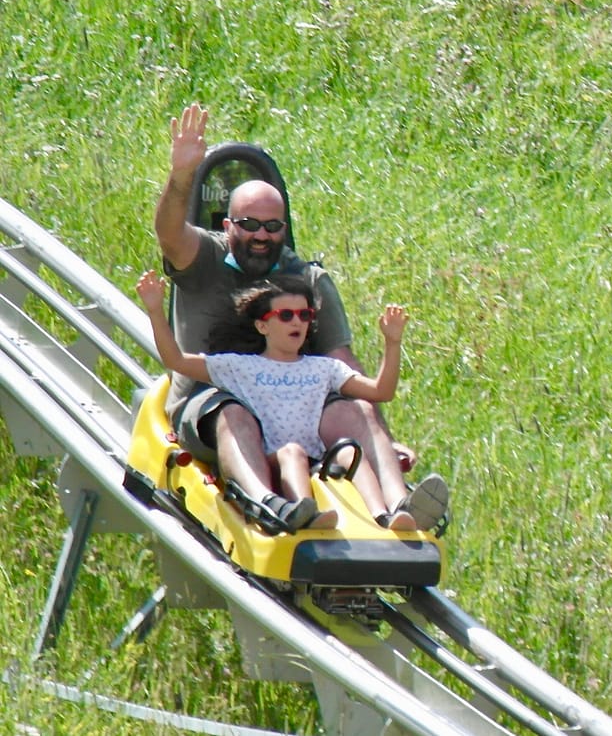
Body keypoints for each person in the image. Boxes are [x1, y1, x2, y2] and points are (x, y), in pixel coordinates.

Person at [153, 101, 447, 532]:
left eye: (272, 227)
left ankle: (399, 504)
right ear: (229, 225)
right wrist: (181, 176)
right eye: (250, 225)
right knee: (233, 414)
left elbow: (343, 365)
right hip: (215, 399)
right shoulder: (204, 258)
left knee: (357, 412)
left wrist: (382, 437)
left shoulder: (306, 279)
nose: (261, 236)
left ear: (284, 229)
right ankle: (266, 502)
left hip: (293, 402)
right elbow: (169, 234)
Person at [137, 270, 425, 530]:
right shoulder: (240, 366)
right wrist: (155, 310)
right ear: (263, 326)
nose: (297, 321)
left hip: (318, 456)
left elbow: (381, 391)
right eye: (286, 315)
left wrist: (393, 343)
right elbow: (175, 360)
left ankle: (384, 515)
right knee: (291, 453)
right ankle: (303, 514)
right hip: (271, 455)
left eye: (304, 315)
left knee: (351, 452)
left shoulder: (325, 368)